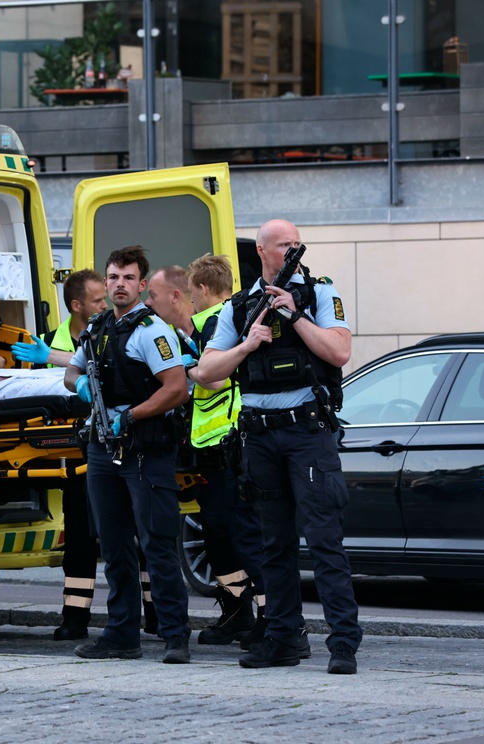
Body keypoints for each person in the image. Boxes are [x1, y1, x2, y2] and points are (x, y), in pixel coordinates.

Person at [197, 219, 361, 675]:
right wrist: (247, 346)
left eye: (296, 244)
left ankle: (343, 643)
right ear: (262, 251)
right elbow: (206, 372)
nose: (293, 251)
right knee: (274, 543)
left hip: (306, 432)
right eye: (284, 244)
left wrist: (296, 315)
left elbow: (339, 352)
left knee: (324, 539)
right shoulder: (239, 306)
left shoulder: (319, 293)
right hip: (260, 437)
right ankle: (283, 638)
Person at [13, 269, 160, 641]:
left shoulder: (114, 332)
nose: (105, 304)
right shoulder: (48, 342)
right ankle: (75, 617)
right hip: (70, 452)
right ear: (77, 305)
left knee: (141, 534)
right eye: (97, 300)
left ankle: (155, 615)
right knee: (79, 537)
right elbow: (31, 390)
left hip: (121, 445)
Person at [64, 245, 192, 663]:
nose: (120, 285)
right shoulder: (99, 326)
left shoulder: (152, 331)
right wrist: (79, 383)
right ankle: (121, 635)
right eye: (114, 278)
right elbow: (72, 369)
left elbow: (177, 388)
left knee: (157, 544)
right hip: (103, 448)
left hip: (144, 448)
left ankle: (175, 635)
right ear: (106, 282)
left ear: (141, 284)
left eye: (129, 278)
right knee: (114, 546)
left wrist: (131, 416)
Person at [181, 255, 268, 648]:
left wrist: (190, 369)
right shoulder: (224, 318)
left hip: (229, 447)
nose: (190, 300)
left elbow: (218, 379)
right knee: (219, 536)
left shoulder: (217, 321)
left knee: (241, 535)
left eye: (191, 292)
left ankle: (267, 618)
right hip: (217, 450)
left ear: (202, 289)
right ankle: (237, 613)